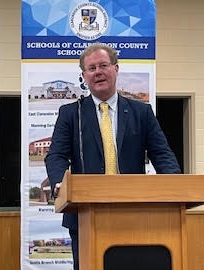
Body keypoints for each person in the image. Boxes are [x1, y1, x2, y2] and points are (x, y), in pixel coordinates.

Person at [45, 43, 181, 270]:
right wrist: (61, 182)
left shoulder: (141, 112)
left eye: (103, 65)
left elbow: (162, 154)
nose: (97, 71)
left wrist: (175, 185)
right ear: (84, 76)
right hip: (84, 216)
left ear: (116, 69)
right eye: (91, 68)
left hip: (135, 214)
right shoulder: (70, 114)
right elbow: (56, 155)